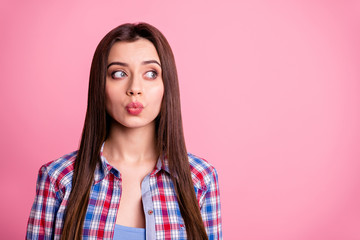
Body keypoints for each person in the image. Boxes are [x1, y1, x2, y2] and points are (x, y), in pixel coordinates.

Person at [26, 22, 222, 240]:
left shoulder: (200, 178)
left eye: (150, 73)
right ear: (100, 85)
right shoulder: (58, 178)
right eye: (119, 73)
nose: (134, 88)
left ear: (167, 85)